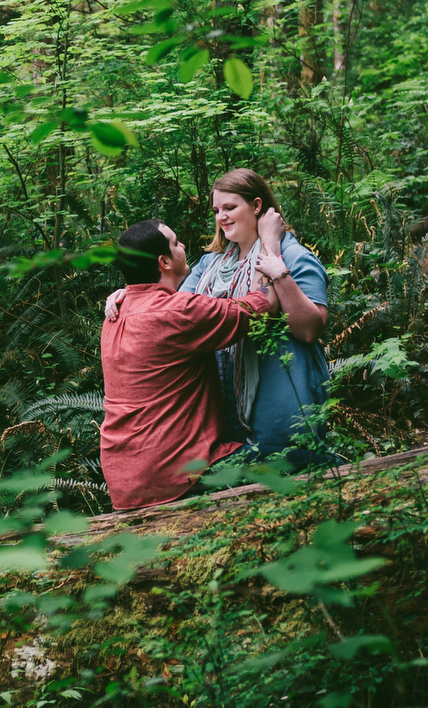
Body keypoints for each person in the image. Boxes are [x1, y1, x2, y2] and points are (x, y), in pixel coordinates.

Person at [106, 170, 332, 461]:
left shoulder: (293, 256)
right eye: (216, 210)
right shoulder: (208, 264)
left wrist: (276, 267)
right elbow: (171, 309)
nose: (220, 217)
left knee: (295, 476)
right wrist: (133, 293)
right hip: (224, 402)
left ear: (257, 206)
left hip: (279, 393)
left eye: (229, 207)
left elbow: (310, 330)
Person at [98, 217, 283, 510]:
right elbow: (261, 305)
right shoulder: (178, 312)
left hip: (125, 485)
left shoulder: (115, 315)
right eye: (176, 243)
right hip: (178, 478)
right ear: (164, 262)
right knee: (294, 465)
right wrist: (271, 244)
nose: (183, 246)